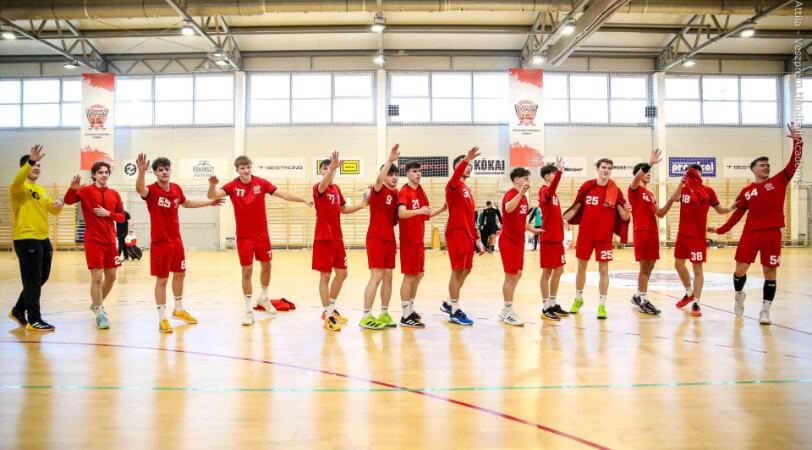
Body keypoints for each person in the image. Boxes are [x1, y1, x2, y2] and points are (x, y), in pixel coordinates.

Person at [710, 123, 803, 325]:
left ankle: (765, 310)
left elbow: (794, 163)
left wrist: (798, 142)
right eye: (762, 165)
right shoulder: (746, 191)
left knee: (770, 272)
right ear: (753, 169)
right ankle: (739, 295)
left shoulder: (779, 181)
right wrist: (720, 230)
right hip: (750, 234)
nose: (766, 167)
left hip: (772, 234)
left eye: (767, 165)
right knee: (740, 269)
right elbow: (737, 215)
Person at [208, 155, 313, 326]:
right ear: (237, 170)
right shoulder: (232, 186)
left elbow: (283, 194)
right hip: (244, 237)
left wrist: (304, 200)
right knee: (247, 271)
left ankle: (264, 297)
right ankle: (249, 310)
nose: (246, 170)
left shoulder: (261, 183)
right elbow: (212, 195)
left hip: (262, 235)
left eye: (248, 167)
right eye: (242, 168)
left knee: (267, 266)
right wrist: (212, 185)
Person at [135, 154, 223, 333]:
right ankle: (162, 318)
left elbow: (186, 203)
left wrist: (210, 203)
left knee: (180, 274)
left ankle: (179, 309)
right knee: (162, 279)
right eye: (160, 170)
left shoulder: (176, 188)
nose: (164, 172)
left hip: (176, 241)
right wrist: (141, 172)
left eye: (167, 169)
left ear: (170, 171)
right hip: (160, 242)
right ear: (155, 173)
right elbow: (140, 189)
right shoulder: (151, 191)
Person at [563, 158, 631, 320]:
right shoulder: (587, 186)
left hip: (604, 237)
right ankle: (578, 299)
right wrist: (564, 218)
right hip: (585, 235)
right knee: (581, 268)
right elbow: (576, 208)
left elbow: (624, 216)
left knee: (604, 270)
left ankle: (601, 305)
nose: (606, 170)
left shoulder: (615, 190)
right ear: (597, 169)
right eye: (604, 167)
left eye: (609, 168)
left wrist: (628, 211)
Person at [64, 160, 125, 329]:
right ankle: (99, 311)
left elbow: (122, 217)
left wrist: (108, 214)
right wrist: (72, 189)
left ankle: (97, 303)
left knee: (111, 277)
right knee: (97, 277)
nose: (104, 175)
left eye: (106, 172)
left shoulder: (114, 194)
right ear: (93, 175)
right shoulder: (85, 191)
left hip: (111, 241)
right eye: (100, 172)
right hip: (94, 241)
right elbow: (68, 201)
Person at [8, 145, 63, 332]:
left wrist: (59, 204)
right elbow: (17, 179)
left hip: (43, 239)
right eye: (34, 165)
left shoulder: (41, 190)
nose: (37, 168)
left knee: (42, 276)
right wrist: (30, 161)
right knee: (32, 280)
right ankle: (34, 320)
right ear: (25, 167)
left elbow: (53, 211)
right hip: (26, 238)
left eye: (39, 165)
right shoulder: (18, 187)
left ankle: (18, 309)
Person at [312, 151, 365, 332]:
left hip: (337, 238)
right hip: (323, 238)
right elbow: (323, 184)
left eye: (331, 168)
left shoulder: (336, 189)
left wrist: (362, 205)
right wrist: (331, 169)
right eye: (325, 168)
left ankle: (330, 308)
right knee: (325, 276)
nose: (329, 170)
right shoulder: (319, 188)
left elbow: (343, 208)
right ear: (321, 172)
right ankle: (327, 315)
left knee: (342, 274)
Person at [671, 165, 731, 317]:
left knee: (698, 269)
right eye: (689, 174)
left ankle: (696, 302)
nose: (693, 177)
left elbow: (721, 210)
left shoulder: (708, 191)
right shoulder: (684, 189)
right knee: (678, 265)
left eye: (695, 174)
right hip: (682, 234)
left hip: (697, 236)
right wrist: (681, 183)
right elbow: (674, 198)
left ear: (701, 175)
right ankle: (689, 293)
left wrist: (735, 206)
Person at [627, 148, 677, 315]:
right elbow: (636, 178)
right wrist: (649, 164)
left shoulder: (650, 194)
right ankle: (643, 300)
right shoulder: (634, 189)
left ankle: (637, 296)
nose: (649, 174)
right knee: (644, 267)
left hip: (652, 232)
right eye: (646, 172)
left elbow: (660, 213)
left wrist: (671, 200)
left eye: (649, 172)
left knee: (651, 265)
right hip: (641, 231)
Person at [398, 160, 446, 328]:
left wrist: (442, 209)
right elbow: (401, 213)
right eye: (414, 171)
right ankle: (405, 315)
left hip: (419, 240)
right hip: (408, 241)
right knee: (409, 276)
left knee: (419, 274)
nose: (418, 174)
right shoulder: (404, 191)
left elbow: (426, 214)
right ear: (407, 174)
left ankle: (410, 308)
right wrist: (418, 211)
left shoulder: (420, 191)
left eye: (419, 171)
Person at [441, 147, 486, 326]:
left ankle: (448, 301)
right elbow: (456, 175)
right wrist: (466, 159)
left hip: (468, 234)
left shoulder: (467, 189)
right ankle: (454, 310)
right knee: (457, 270)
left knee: (467, 269)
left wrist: (478, 239)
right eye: (464, 165)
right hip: (456, 232)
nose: (468, 167)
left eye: (469, 166)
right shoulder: (452, 185)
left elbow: (470, 216)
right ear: (456, 167)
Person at [360, 145, 401, 330]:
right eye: (390, 174)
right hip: (375, 238)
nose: (394, 177)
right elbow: (378, 179)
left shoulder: (396, 194)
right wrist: (390, 161)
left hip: (390, 239)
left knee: (388, 276)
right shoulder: (377, 189)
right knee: (376, 276)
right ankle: (366, 316)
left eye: (396, 174)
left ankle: (384, 313)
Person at [498, 167, 542, 326]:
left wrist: (533, 230)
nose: (528, 181)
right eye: (525, 178)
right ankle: (508, 311)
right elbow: (508, 208)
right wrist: (521, 193)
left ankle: (505, 309)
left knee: (518, 274)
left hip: (519, 241)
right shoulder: (511, 194)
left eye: (529, 179)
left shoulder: (524, 199)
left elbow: (522, 221)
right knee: (510, 276)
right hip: (508, 241)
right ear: (517, 180)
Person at [538, 157, 570, 321]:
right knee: (547, 272)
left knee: (559, 270)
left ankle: (552, 303)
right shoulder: (545, 190)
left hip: (557, 238)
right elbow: (550, 192)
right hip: (548, 238)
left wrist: (562, 219)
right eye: (553, 173)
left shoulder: (554, 195)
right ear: (547, 176)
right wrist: (561, 172)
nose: (555, 175)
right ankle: (545, 307)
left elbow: (552, 212)